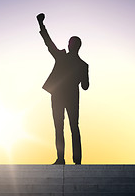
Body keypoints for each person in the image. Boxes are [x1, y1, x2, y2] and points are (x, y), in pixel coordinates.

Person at [37, 13, 89, 165]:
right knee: (73, 128)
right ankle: (76, 161)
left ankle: (61, 159)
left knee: (60, 127)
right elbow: (85, 86)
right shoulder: (83, 65)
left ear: (69, 46)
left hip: (59, 96)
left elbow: (48, 42)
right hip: (71, 97)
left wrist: (41, 24)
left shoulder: (62, 57)